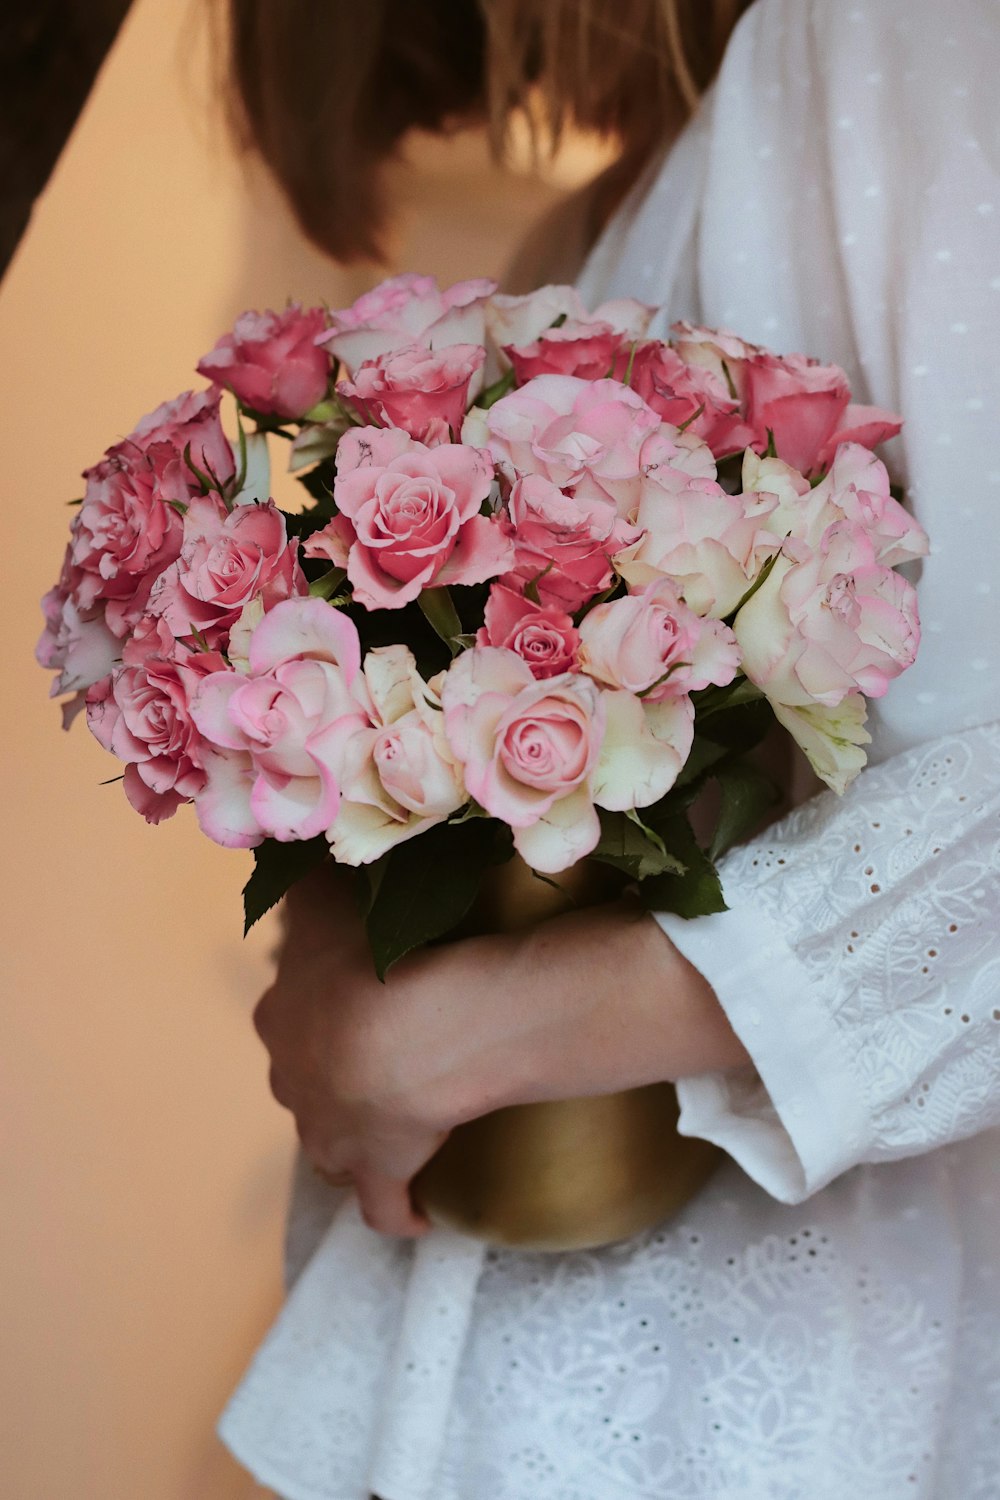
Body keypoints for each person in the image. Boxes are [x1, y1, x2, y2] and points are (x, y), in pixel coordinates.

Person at [217, 2, 1000, 1497]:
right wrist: (330, 912)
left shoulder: (885, 35)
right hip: (507, 1376)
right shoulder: (612, 211)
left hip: (771, 1400)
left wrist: (472, 1027)